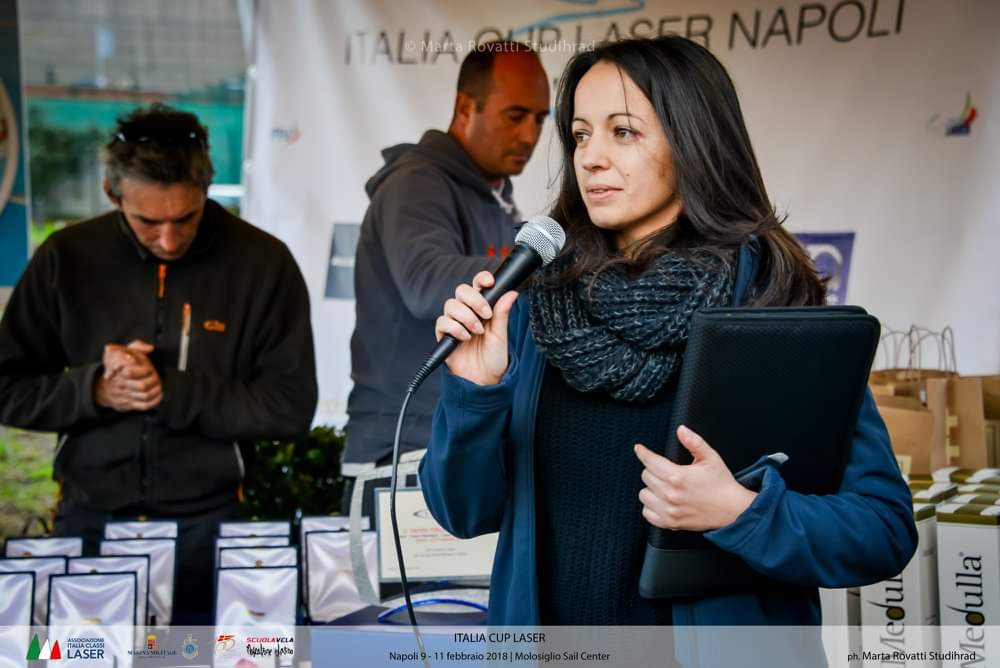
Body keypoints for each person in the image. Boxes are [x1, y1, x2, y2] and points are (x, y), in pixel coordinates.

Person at [419, 36, 916, 661]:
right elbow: (461, 512)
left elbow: (882, 528)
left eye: (623, 132)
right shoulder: (536, 305)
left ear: (692, 141)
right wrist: (475, 393)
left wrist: (741, 512)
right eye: (580, 135)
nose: (591, 157)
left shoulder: (770, 301)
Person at [0, 104, 318, 622]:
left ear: (208, 189)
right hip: (90, 521)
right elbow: (7, 387)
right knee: (85, 657)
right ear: (112, 194)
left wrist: (171, 392)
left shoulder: (263, 264)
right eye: (148, 222)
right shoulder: (66, 258)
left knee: (209, 656)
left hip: (211, 529)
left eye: (186, 218)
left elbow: (290, 407)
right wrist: (95, 390)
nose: (169, 240)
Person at [342, 41, 550, 517]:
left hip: (451, 446)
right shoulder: (416, 181)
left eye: (540, 119)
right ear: (465, 107)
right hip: (402, 454)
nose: (529, 134)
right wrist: (545, 267)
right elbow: (426, 282)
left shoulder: (492, 195)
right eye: (515, 115)